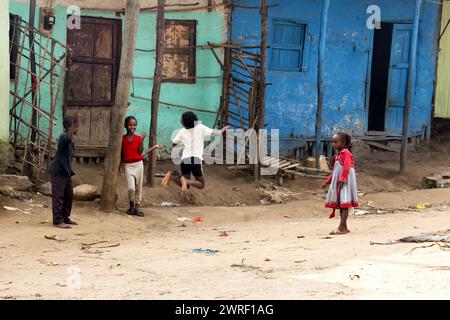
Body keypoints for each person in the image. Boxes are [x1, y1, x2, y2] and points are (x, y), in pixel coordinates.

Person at [161, 111, 228, 191]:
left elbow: (174, 144)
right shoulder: (201, 127)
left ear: (184, 123)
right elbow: (218, 133)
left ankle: (172, 176)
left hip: (185, 160)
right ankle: (183, 180)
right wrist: (225, 128)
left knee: (186, 185)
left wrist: (183, 143)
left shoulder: (182, 131)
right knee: (201, 184)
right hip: (195, 160)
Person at [120, 116, 162, 217]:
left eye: (134, 125)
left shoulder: (138, 138)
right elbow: (120, 154)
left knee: (139, 187)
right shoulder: (122, 139)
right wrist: (119, 167)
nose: (132, 127)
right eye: (130, 125)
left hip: (139, 164)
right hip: (128, 165)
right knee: (131, 188)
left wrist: (142, 140)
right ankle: (131, 206)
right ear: (125, 126)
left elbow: (140, 151)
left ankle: (137, 207)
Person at [322, 132, 359, 235]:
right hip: (340, 182)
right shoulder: (338, 155)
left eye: (336, 142)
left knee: (344, 205)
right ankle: (344, 227)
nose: (333, 144)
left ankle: (341, 227)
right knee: (342, 204)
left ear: (343, 143)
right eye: (333, 142)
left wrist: (342, 180)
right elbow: (335, 172)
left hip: (345, 183)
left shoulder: (346, 153)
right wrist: (327, 182)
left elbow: (347, 167)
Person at [50, 114, 80, 229]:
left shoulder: (71, 139)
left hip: (66, 172)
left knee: (69, 195)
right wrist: (73, 126)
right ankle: (58, 221)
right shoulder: (64, 137)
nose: (78, 129)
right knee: (58, 196)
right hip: (58, 171)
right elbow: (67, 138)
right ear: (70, 127)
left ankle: (65, 217)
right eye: (76, 127)